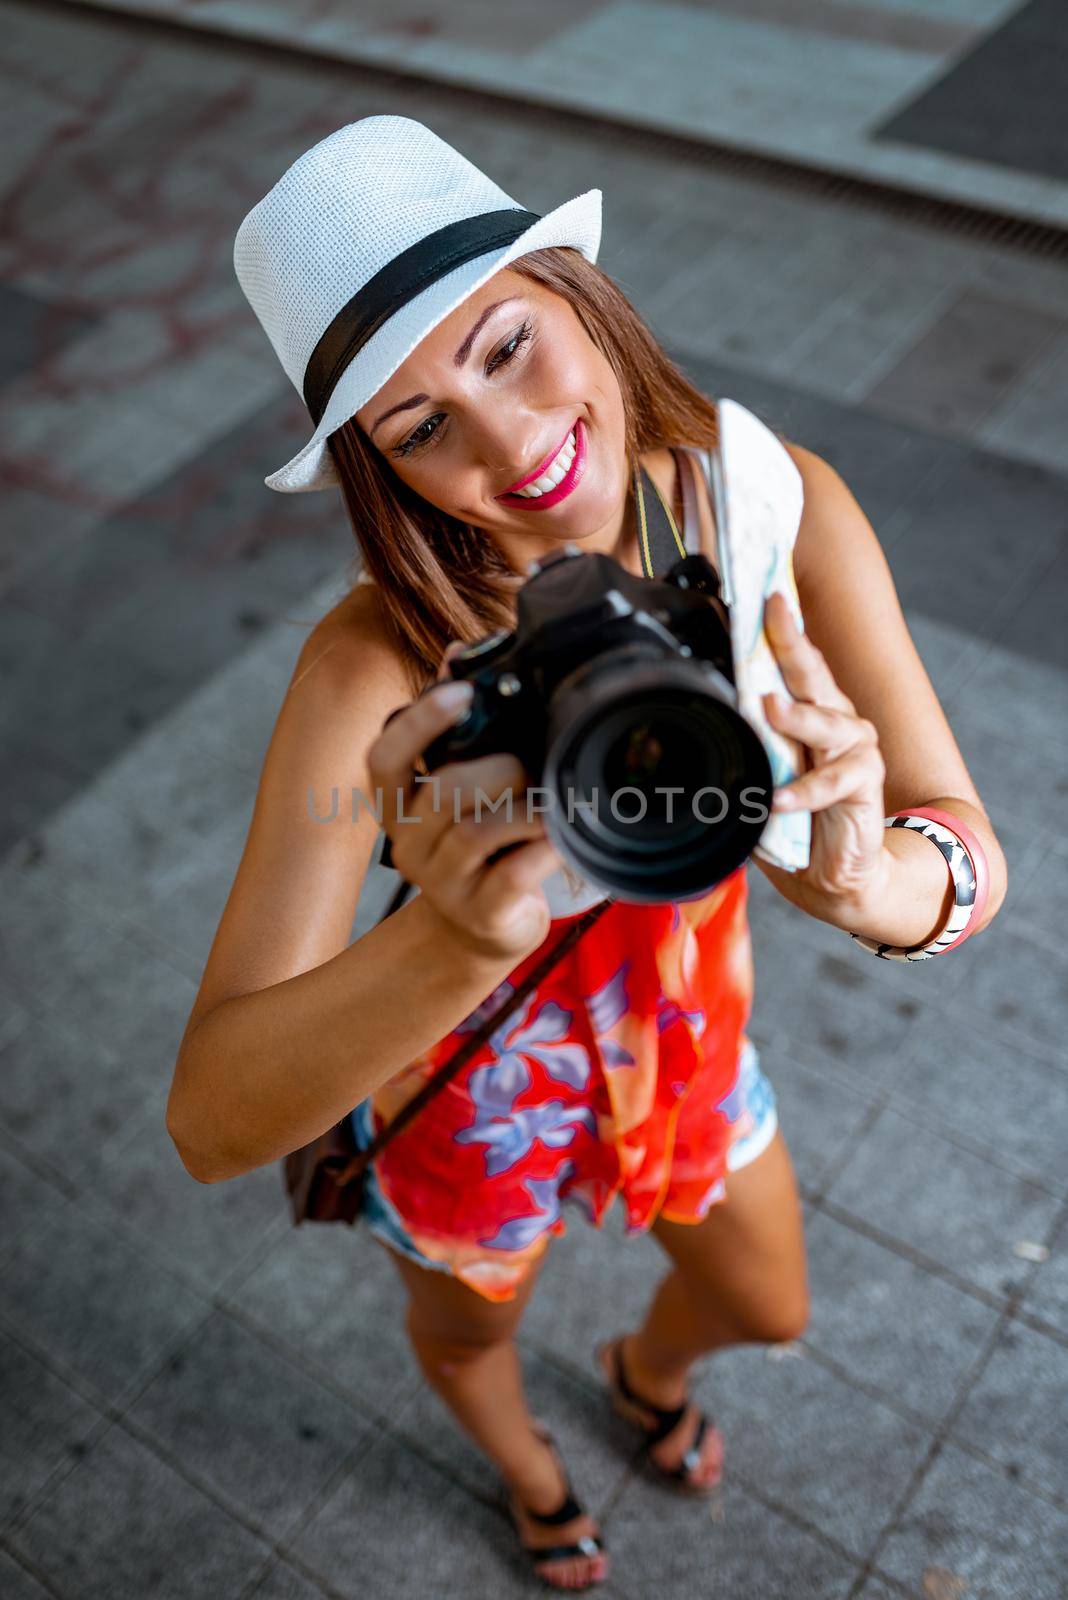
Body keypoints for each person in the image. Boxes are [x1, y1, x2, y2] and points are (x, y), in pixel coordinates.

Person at [166, 116, 1007, 1590]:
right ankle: (530, 1471)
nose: (505, 444)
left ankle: (643, 1370)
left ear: (574, 291)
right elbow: (210, 1122)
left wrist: (866, 875)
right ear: (382, 475)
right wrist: (446, 936)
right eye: (419, 427)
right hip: (461, 1070)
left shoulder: (761, 503)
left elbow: (972, 851)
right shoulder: (375, 667)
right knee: (471, 1327)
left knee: (769, 1302)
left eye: (501, 346)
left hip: (678, 1021)